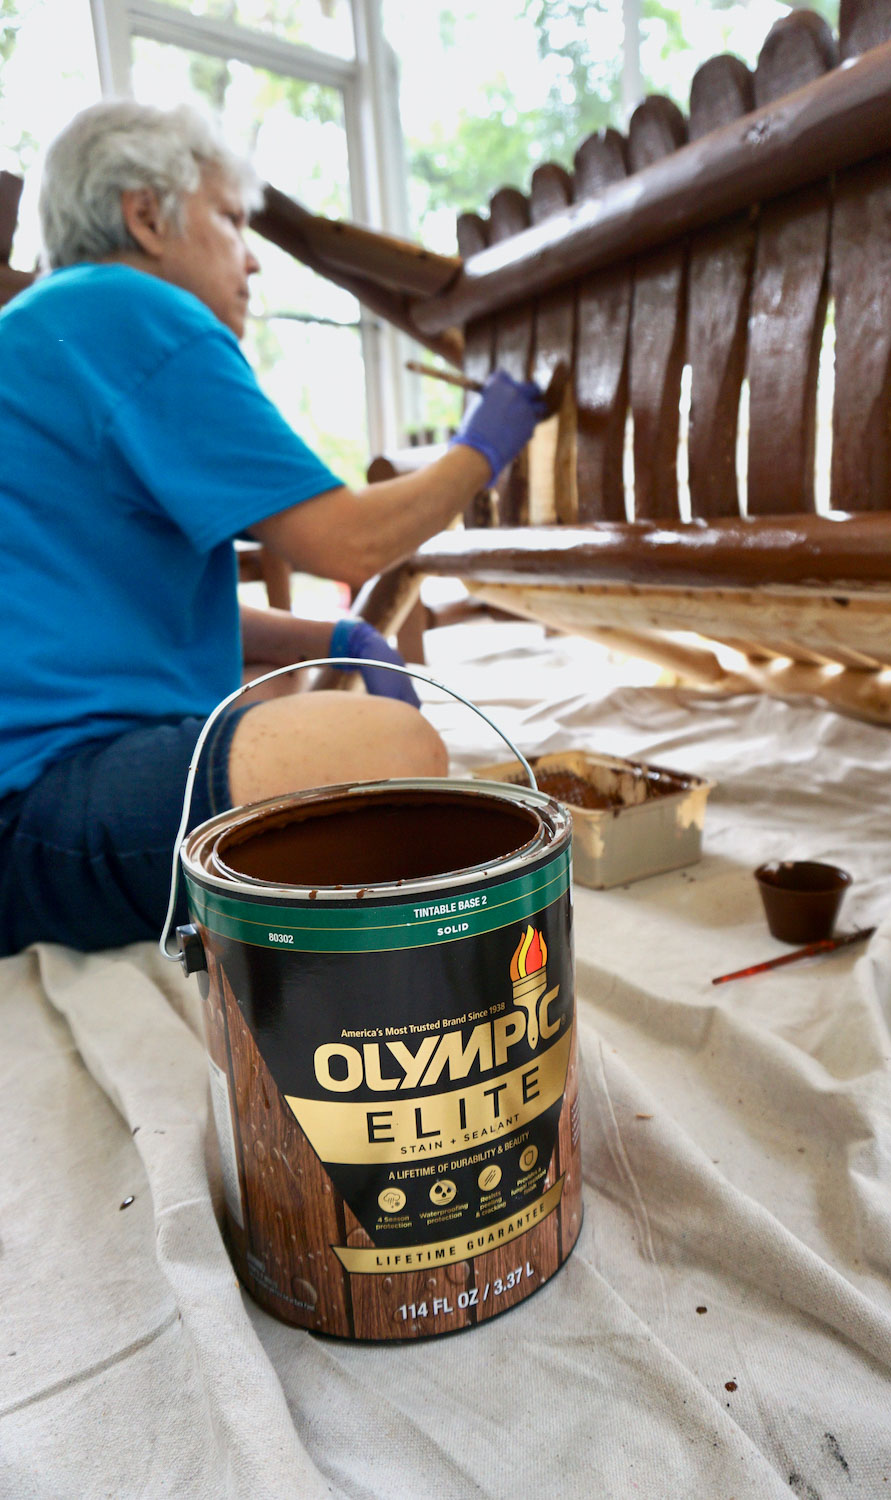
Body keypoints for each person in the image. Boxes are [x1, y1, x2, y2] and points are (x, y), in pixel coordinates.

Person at [0, 99, 547, 956]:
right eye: (230, 220)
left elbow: (127, 608)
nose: (252, 258)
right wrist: (485, 446)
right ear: (145, 215)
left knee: (305, 710)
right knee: (395, 744)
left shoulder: (47, 328)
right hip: (35, 818)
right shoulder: (128, 309)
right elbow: (352, 540)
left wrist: (334, 631)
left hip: (37, 797)